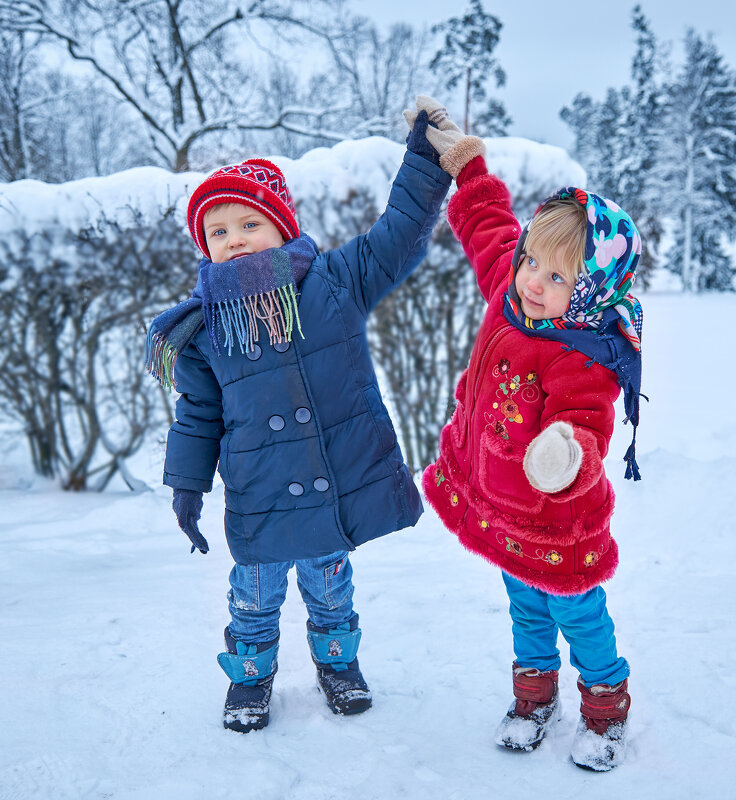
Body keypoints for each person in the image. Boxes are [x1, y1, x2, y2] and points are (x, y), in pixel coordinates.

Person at [145, 111, 450, 733]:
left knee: (331, 587)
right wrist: (188, 484)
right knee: (254, 597)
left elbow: (398, 235)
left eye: (249, 223)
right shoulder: (204, 331)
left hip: (327, 481)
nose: (234, 238)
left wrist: (424, 161)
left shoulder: (333, 283)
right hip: (258, 493)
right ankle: (250, 677)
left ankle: (338, 664)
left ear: (281, 228)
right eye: (219, 229)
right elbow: (199, 414)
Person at [406, 97, 644, 771]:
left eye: (557, 275)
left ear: (592, 287)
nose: (533, 280)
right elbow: (487, 226)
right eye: (533, 261)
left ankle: (604, 704)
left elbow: (587, 426)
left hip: (556, 516)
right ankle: (534, 697)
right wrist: (464, 161)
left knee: (579, 616)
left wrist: (564, 451)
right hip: (501, 505)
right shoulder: (510, 292)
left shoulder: (584, 354)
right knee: (522, 605)